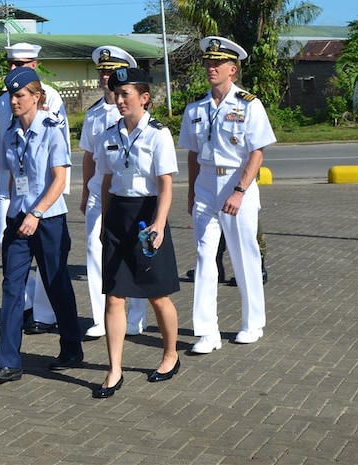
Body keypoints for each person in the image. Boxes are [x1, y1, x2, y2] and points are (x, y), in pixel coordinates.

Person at [177, 36, 276, 355]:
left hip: (237, 186)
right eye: (208, 62)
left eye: (217, 63)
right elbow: (192, 155)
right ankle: (207, 331)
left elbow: (256, 153)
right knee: (205, 256)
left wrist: (239, 191)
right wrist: (192, 195)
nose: (211, 67)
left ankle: (252, 323)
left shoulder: (249, 104)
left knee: (244, 256)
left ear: (232, 69)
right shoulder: (196, 107)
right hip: (206, 186)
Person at [0, 67, 84, 384]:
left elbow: (59, 180)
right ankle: (9, 362)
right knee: (11, 287)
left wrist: (36, 213)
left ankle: (71, 348)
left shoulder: (53, 130)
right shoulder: (11, 133)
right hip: (19, 219)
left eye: (20, 95)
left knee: (56, 283)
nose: (14, 101)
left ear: (36, 97)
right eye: (12, 95)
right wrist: (13, 212)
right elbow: (13, 176)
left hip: (49, 218)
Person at [92, 67, 181, 398]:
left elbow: (166, 183)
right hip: (118, 215)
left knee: (158, 293)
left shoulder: (158, 135)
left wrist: (159, 223)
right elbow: (105, 181)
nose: (119, 100)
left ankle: (170, 354)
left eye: (125, 94)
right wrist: (104, 220)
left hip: (148, 216)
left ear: (144, 98)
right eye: (116, 94)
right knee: (114, 295)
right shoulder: (109, 134)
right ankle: (114, 369)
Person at [0, 42, 68, 335]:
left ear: (34, 65)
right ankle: (25, 305)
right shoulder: (2, 101)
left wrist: (52, 199)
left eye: (20, 64)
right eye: (11, 64)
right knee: (5, 246)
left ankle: (46, 314)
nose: (14, 69)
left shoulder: (51, 97)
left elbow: (56, 151)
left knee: (50, 266)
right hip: (13, 189)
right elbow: (0, 147)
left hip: (43, 195)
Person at [79, 46, 147, 339]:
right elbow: (87, 156)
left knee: (134, 254)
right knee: (96, 252)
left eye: (112, 72)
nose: (106, 77)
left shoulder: (133, 109)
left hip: (129, 192)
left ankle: (136, 316)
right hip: (98, 192)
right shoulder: (94, 113)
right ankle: (100, 316)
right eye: (103, 72)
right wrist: (84, 192)